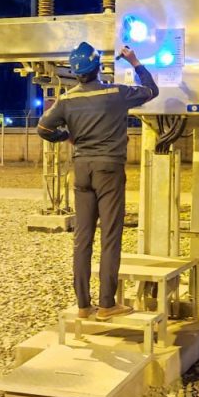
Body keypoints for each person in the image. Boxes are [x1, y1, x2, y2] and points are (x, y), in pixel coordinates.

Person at [36, 41, 159, 321]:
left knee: (82, 239)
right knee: (110, 236)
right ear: (97, 67)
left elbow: (43, 128)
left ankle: (83, 305)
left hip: (82, 169)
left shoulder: (66, 100)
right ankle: (106, 304)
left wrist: (67, 136)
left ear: (75, 71)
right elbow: (152, 90)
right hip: (109, 170)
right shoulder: (115, 93)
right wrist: (135, 62)